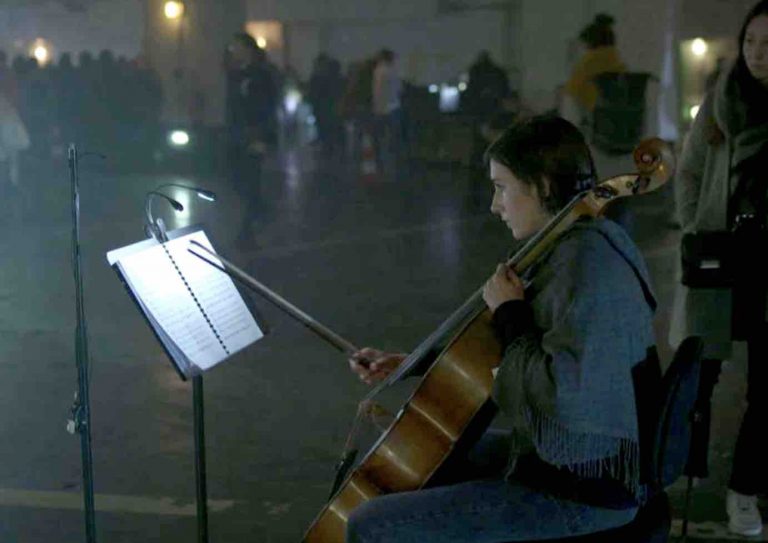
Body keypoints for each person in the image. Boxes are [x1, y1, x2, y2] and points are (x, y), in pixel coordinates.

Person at [345, 115, 662, 542]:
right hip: (568, 464)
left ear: (544, 187)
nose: (495, 205)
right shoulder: (579, 245)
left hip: (581, 488)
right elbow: (537, 351)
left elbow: (563, 396)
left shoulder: (586, 267)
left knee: (369, 526)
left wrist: (511, 314)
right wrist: (417, 364)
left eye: (502, 187)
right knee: (425, 457)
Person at [669, 1, 768, 537]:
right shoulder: (721, 101)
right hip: (719, 254)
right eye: (752, 41)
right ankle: (679, 479)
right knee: (696, 378)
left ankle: (744, 490)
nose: (758, 53)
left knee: (766, 389)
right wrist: (693, 228)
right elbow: (689, 172)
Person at [562, 13, 626, 128]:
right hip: (616, 117)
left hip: (593, 115)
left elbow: (572, 90)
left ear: (590, 42)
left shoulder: (589, 61)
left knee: (566, 97)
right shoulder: (616, 60)